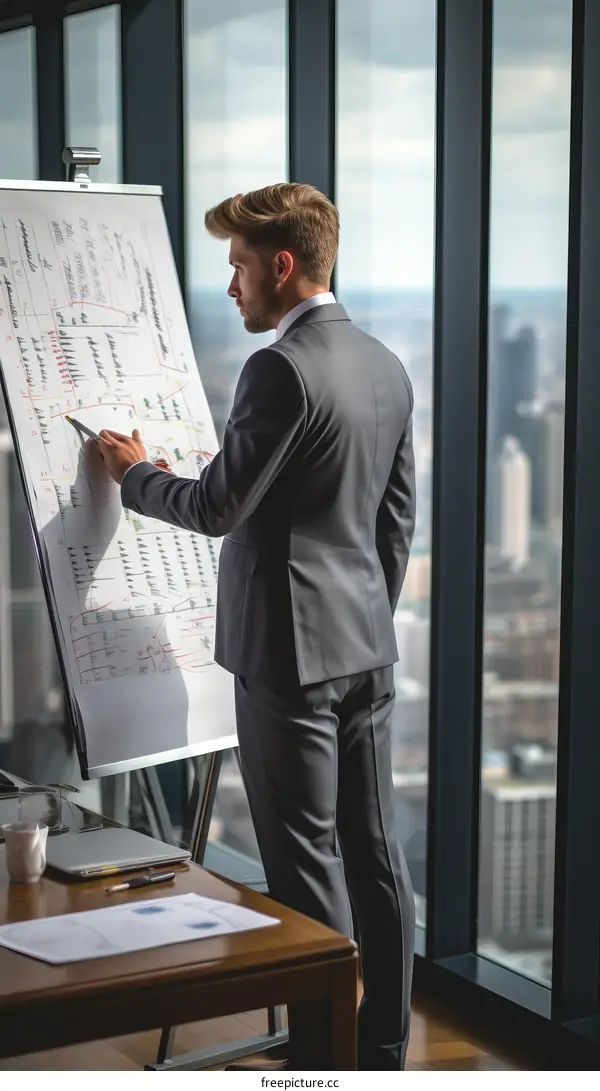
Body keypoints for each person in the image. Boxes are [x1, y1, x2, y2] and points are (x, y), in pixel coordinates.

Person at [97, 183, 416, 1071]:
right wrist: (359, 620)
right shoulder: (383, 362)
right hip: (365, 650)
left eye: (238, 266)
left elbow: (215, 505)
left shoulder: (280, 369)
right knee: (379, 859)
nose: (231, 284)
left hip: (289, 662)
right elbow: (396, 523)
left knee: (306, 870)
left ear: (282, 265)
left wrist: (133, 473)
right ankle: (380, 1053)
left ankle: (322, 1064)